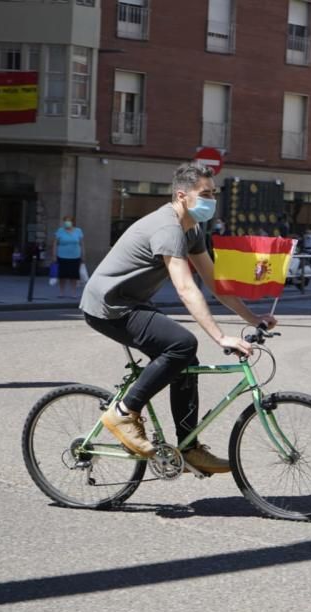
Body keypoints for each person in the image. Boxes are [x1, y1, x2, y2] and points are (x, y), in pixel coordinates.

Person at [80, 164, 276, 475]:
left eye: (214, 193)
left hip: (132, 302)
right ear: (182, 196)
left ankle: (188, 448)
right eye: (205, 194)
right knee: (182, 344)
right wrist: (221, 337)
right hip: (108, 306)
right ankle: (123, 412)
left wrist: (253, 318)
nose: (212, 199)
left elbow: (214, 283)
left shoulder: (192, 229)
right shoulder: (167, 227)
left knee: (185, 358)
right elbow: (185, 288)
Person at [52, 215, 84, 298]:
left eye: (69, 220)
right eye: (66, 220)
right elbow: (55, 243)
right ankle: (61, 292)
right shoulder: (60, 231)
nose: (67, 222)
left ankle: (73, 293)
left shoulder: (78, 231)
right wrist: (54, 255)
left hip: (75, 256)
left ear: (73, 222)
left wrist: (83, 255)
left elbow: (81, 244)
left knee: (73, 276)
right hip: (62, 256)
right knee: (62, 276)